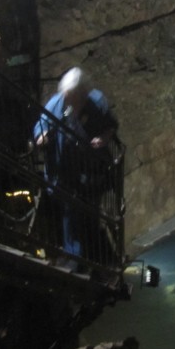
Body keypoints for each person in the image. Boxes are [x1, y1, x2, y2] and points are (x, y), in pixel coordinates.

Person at [33, 67, 117, 258]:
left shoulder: (96, 102)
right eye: (68, 97)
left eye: (76, 98)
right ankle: (76, 258)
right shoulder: (56, 105)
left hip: (90, 172)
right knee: (70, 216)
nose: (72, 102)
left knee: (89, 213)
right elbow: (41, 126)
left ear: (84, 94)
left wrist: (103, 138)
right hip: (65, 173)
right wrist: (42, 136)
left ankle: (90, 252)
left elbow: (110, 125)